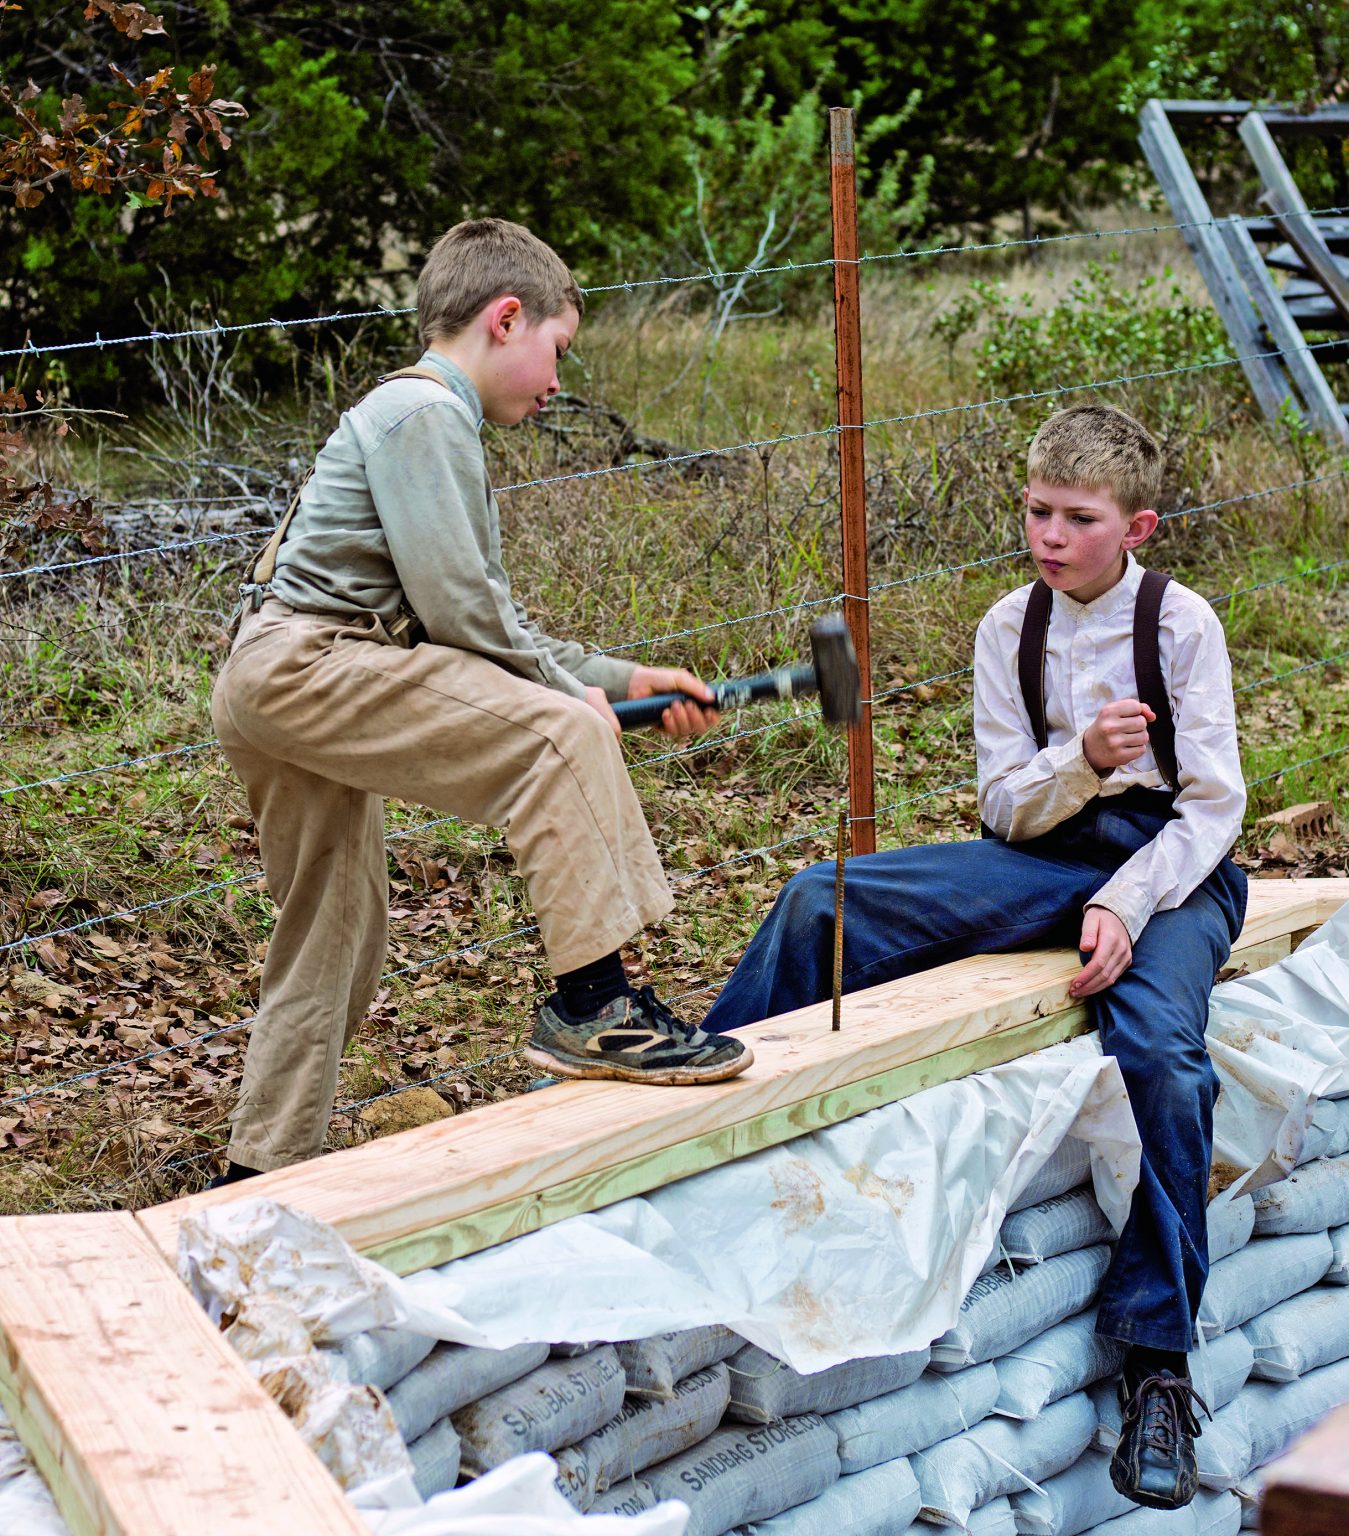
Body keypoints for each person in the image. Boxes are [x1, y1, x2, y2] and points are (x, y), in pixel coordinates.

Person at [702, 404, 1247, 1512]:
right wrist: (1080, 763)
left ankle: (1156, 1364)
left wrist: (1127, 905)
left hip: (1169, 872)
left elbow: (1213, 809)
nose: (1048, 534)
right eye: (1035, 510)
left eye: (1076, 518)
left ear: (1135, 526)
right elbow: (1003, 809)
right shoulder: (1012, 626)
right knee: (825, 901)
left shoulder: (1180, 625)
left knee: (1161, 1059)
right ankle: (702, 1120)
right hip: (1047, 855)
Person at [209, 218, 752, 1186]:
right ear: (506, 318)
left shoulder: (410, 415)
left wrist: (623, 680)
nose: (556, 383)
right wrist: (572, 701)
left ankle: (262, 1166)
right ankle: (596, 1006)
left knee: (335, 925)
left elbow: (464, 609)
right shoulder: (428, 413)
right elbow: (460, 606)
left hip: (272, 674)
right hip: (316, 665)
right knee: (554, 741)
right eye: (557, 349)